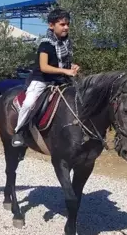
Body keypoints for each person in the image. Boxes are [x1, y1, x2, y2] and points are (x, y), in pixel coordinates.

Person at [11, 8, 80, 147]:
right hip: (42, 79)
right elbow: (44, 67)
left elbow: (62, 62)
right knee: (29, 103)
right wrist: (65, 71)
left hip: (61, 80)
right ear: (51, 25)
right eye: (62, 24)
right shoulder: (45, 44)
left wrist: (72, 66)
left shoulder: (66, 43)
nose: (66, 27)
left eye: (67, 24)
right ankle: (19, 131)